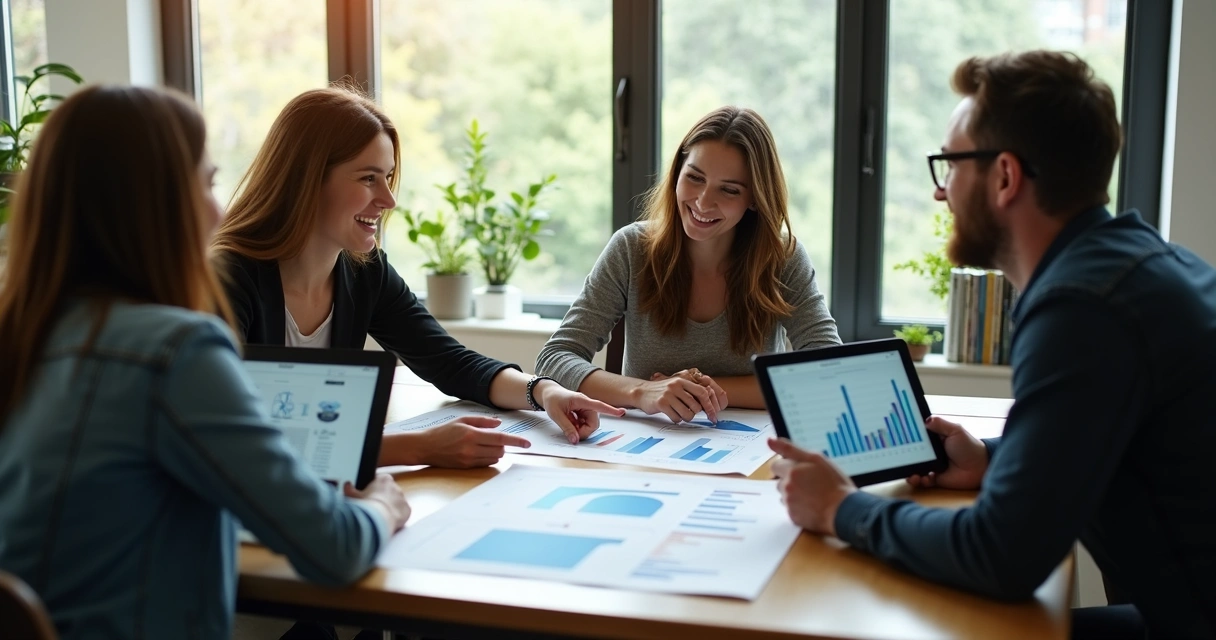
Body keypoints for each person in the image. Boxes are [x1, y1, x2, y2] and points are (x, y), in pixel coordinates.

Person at [768, 50, 1216, 640]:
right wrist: (991, 457)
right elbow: (1104, 436)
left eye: (949, 165)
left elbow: (1000, 556)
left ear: (1004, 176)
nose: (941, 193)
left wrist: (840, 509)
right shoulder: (1136, 263)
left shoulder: (1081, 308)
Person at [0, 85, 410, 640]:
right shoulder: (174, 351)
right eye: (207, 183)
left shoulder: (30, 331)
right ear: (153, 206)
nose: (219, 210)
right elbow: (333, 547)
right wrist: (383, 505)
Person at [211, 87, 624, 470]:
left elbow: (449, 362)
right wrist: (420, 447)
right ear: (307, 179)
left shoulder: (364, 271)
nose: (388, 200)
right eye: (368, 178)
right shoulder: (227, 279)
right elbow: (232, 437)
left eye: (387, 178)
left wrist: (545, 391)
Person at [535, 106, 840, 424]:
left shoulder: (782, 258)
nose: (703, 202)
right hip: (642, 449)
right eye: (695, 177)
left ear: (754, 198)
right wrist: (643, 392)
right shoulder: (630, 249)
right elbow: (554, 358)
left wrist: (702, 390)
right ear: (677, 171)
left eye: (729, 189)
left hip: (753, 452)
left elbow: (828, 369)